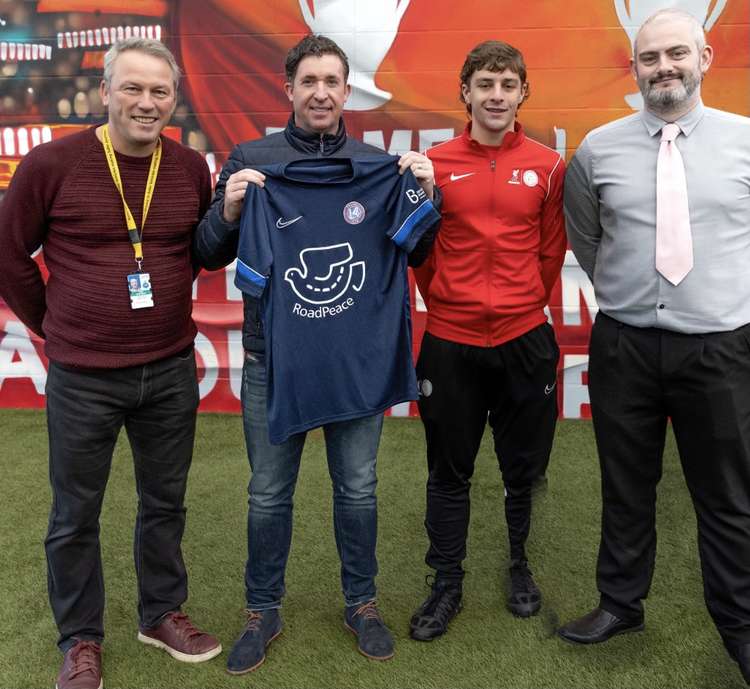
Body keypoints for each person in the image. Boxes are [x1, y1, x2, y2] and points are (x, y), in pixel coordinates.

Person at [194, 34, 440, 673]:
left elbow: (416, 252)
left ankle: (361, 602)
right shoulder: (252, 160)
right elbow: (209, 249)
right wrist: (228, 209)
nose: (322, 93)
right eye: (310, 82)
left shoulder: (377, 165)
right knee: (268, 494)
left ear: (346, 89)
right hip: (274, 361)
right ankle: (261, 609)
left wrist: (424, 194)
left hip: (355, 359)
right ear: (290, 89)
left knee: (357, 489)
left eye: (332, 81)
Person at [0, 38, 221, 689]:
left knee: (165, 501)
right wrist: (55, 325)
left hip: (170, 368)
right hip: (83, 377)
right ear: (105, 92)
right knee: (75, 513)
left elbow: (201, 251)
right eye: (133, 88)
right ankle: (80, 637)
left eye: (159, 91)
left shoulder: (188, 168)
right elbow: (10, 255)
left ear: (173, 99)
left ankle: (160, 612)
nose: (146, 102)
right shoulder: (52, 163)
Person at [558, 9, 750, 683]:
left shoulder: (745, 142)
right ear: (633, 67)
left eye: (676, 54)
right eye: (649, 58)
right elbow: (589, 238)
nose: (663, 67)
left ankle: (741, 622)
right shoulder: (597, 149)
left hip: (721, 348)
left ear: (704, 57)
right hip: (626, 347)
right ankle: (620, 602)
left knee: (728, 493)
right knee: (626, 483)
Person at [408, 40, 566, 641]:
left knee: (521, 468)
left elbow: (551, 252)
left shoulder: (550, 165)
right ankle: (446, 582)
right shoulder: (433, 163)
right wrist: (450, 298)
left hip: (526, 339)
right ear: (465, 92)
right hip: (451, 342)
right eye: (485, 84)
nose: (496, 96)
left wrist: (522, 305)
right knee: (449, 470)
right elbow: (421, 253)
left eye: (507, 84)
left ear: (523, 92)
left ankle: (519, 565)